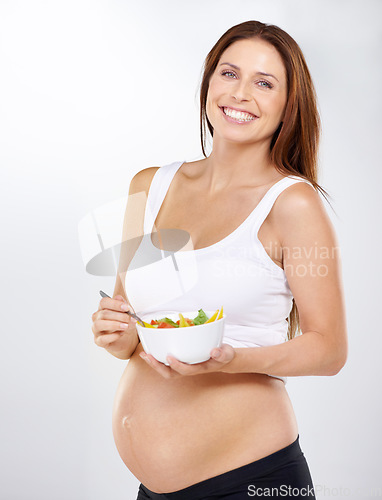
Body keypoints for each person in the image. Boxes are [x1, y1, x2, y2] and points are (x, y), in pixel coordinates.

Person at [91, 20, 348, 499]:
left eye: (264, 82)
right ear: (209, 82)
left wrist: (230, 361)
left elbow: (329, 349)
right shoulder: (149, 187)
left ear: (289, 104)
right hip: (153, 489)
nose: (241, 93)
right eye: (229, 73)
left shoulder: (293, 205)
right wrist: (116, 333)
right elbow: (132, 331)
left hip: (253, 479)